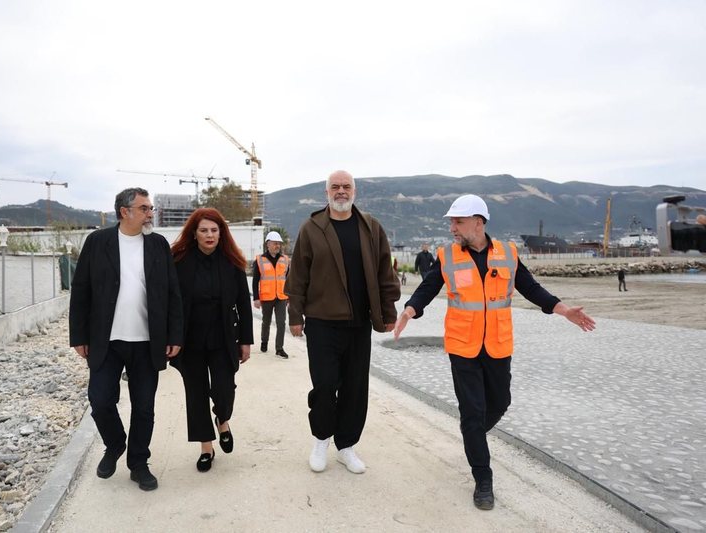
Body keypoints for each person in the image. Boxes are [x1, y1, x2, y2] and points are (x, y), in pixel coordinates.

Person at [393, 194, 596, 510]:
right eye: (451, 222)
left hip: (498, 345)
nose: (452, 228)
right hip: (463, 347)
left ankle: (471, 434)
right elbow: (427, 288)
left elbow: (531, 288)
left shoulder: (507, 254)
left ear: (478, 222)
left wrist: (563, 309)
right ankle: (483, 478)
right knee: (473, 412)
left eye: (458, 221)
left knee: (500, 403)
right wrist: (410, 310)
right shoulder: (446, 255)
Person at [285, 170, 401, 474]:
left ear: (354, 191)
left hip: (358, 324)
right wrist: (295, 315)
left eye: (346, 186)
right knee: (324, 386)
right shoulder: (311, 228)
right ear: (327, 192)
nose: (341, 191)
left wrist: (388, 312)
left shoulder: (371, 227)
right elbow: (297, 276)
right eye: (335, 187)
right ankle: (321, 439)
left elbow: (385, 272)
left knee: (355, 388)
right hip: (322, 323)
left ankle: (346, 446)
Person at [69, 187, 183, 492]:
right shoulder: (98, 242)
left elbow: (172, 292)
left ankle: (139, 463)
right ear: (125, 212)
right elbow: (81, 290)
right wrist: (78, 335)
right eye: (145, 208)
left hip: (147, 341)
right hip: (106, 340)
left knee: (144, 407)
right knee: (100, 400)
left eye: (150, 208)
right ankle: (115, 443)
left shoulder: (158, 245)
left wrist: (174, 334)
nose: (150, 214)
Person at [169, 208, 253, 473]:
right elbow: (170, 303)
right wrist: (170, 337)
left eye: (214, 230)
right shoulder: (179, 262)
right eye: (204, 230)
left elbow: (244, 304)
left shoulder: (232, 262)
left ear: (221, 233)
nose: (209, 235)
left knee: (224, 391)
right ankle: (206, 447)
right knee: (195, 394)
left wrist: (246, 340)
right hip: (189, 340)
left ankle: (222, 419)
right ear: (194, 234)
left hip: (223, 338)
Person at [252, 231, 290, 358]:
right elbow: (255, 280)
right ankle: (264, 342)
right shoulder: (259, 260)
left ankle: (279, 348)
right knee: (266, 322)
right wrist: (256, 298)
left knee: (281, 323)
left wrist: (289, 296)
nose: (277, 246)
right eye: (275, 243)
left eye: (279, 243)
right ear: (267, 244)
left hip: (281, 297)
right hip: (267, 296)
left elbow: (288, 279)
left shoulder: (285, 260)